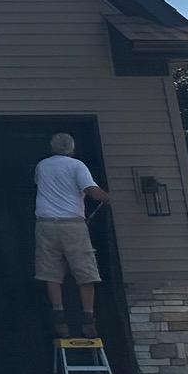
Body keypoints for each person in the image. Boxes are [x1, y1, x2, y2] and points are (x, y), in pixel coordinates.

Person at [34, 133, 112, 337]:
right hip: (72, 225)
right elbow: (91, 190)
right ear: (71, 148)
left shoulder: (42, 166)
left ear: (52, 147)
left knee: (51, 273)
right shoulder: (77, 166)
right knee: (85, 272)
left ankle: (59, 318)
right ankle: (88, 320)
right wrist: (110, 198)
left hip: (45, 224)